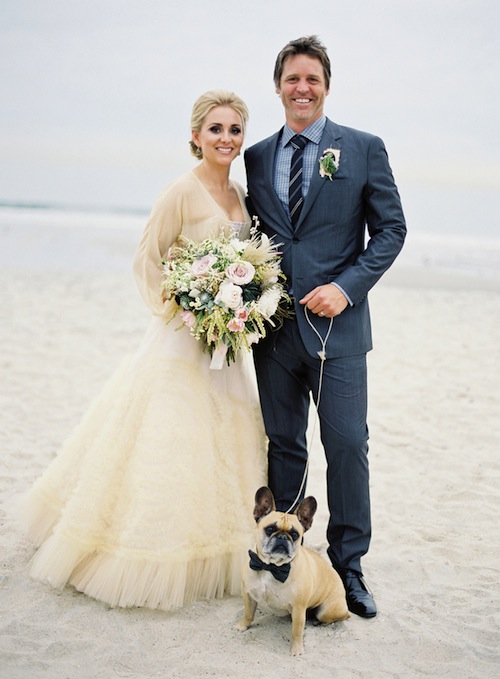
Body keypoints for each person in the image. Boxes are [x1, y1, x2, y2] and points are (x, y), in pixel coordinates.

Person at [21, 90, 267, 612]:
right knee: (168, 440)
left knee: (224, 437)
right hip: (183, 338)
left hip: (226, 342)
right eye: (216, 129)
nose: (226, 139)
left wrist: (238, 309)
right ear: (196, 136)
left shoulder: (243, 196)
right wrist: (183, 309)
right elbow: (147, 257)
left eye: (235, 130)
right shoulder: (180, 190)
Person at [245, 36, 406, 618]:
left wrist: (345, 287)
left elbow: (391, 231)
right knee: (284, 447)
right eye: (292, 79)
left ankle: (349, 566)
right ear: (279, 85)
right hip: (274, 335)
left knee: (346, 447)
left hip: (340, 334)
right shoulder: (257, 156)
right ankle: (282, 560)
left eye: (312, 78)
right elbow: (252, 235)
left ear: (327, 85)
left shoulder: (362, 148)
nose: (302, 88)